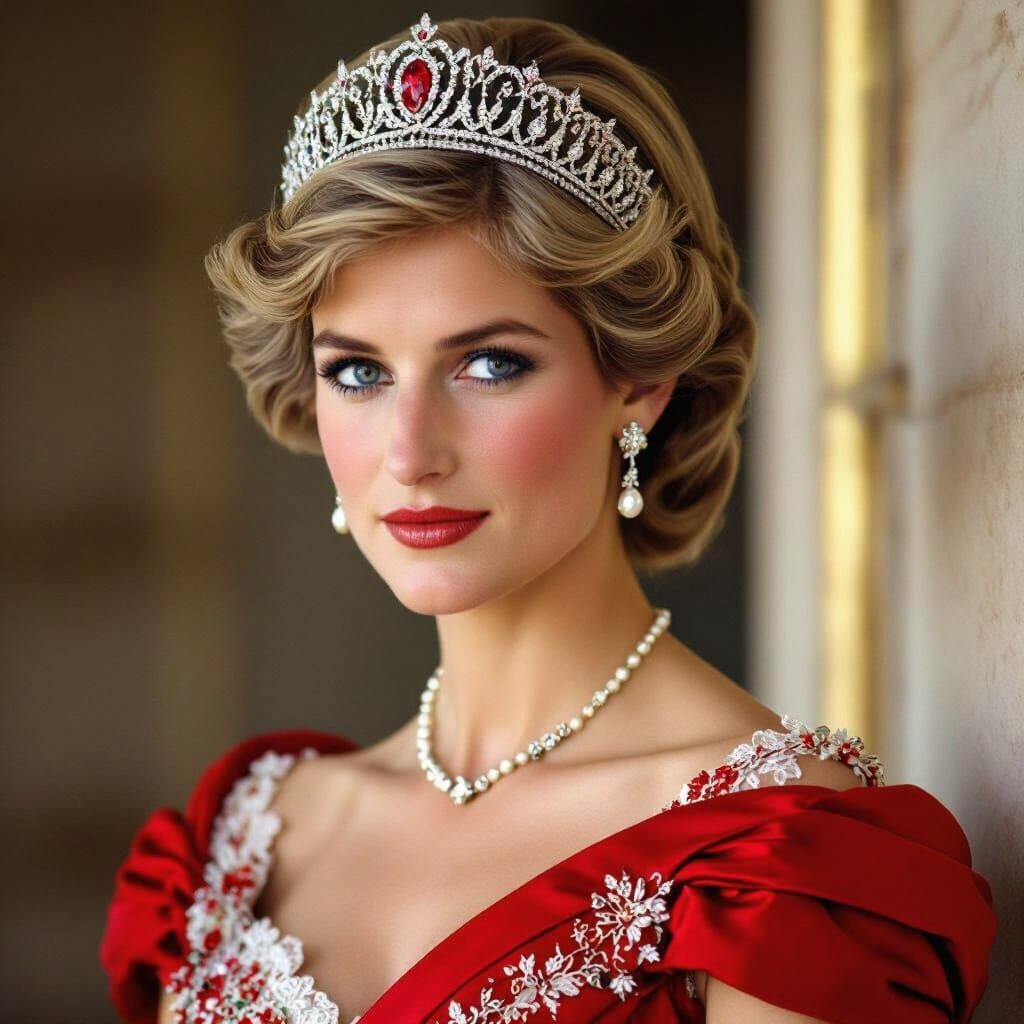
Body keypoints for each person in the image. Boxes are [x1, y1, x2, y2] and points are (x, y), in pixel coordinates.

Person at [99, 12, 996, 1024]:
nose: (408, 450)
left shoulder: (776, 872)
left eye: (489, 363)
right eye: (357, 371)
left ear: (641, 383)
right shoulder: (244, 839)